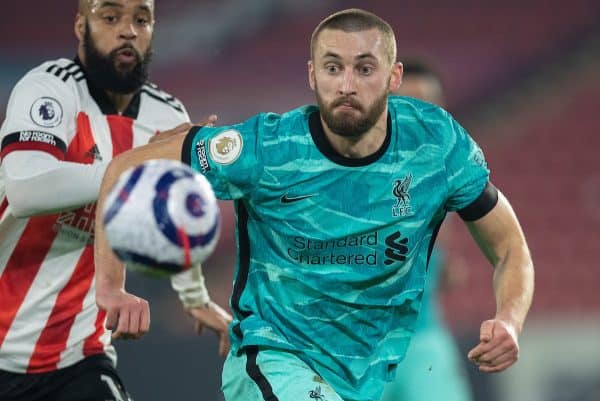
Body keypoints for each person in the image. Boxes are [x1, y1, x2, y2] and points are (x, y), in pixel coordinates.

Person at [93, 8, 535, 401]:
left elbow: (511, 248)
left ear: (393, 77)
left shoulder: (436, 144)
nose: (346, 84)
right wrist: (112, 286)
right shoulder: (264, 148)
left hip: (364, 375)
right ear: (312, 75)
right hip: (274, 357)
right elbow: (123, 170)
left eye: (364, 69)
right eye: (332, 67)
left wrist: (510, 320)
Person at [0, 1, 230, 400]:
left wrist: (195, 296)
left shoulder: (166, 116)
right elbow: (24, 189)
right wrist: (134, 169)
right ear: (80, 25)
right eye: (111, 17)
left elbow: (174, 217)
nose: (128, 30)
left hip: (79, 356)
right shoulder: (48, 88)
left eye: (141, 19)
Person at [380, 59, 473, 401]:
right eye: (409, 103)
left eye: (430, 105)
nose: (421, 114)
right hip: (362, 348)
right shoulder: (356, 170)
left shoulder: (452, 170)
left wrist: (442, 266)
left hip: (423, 341)